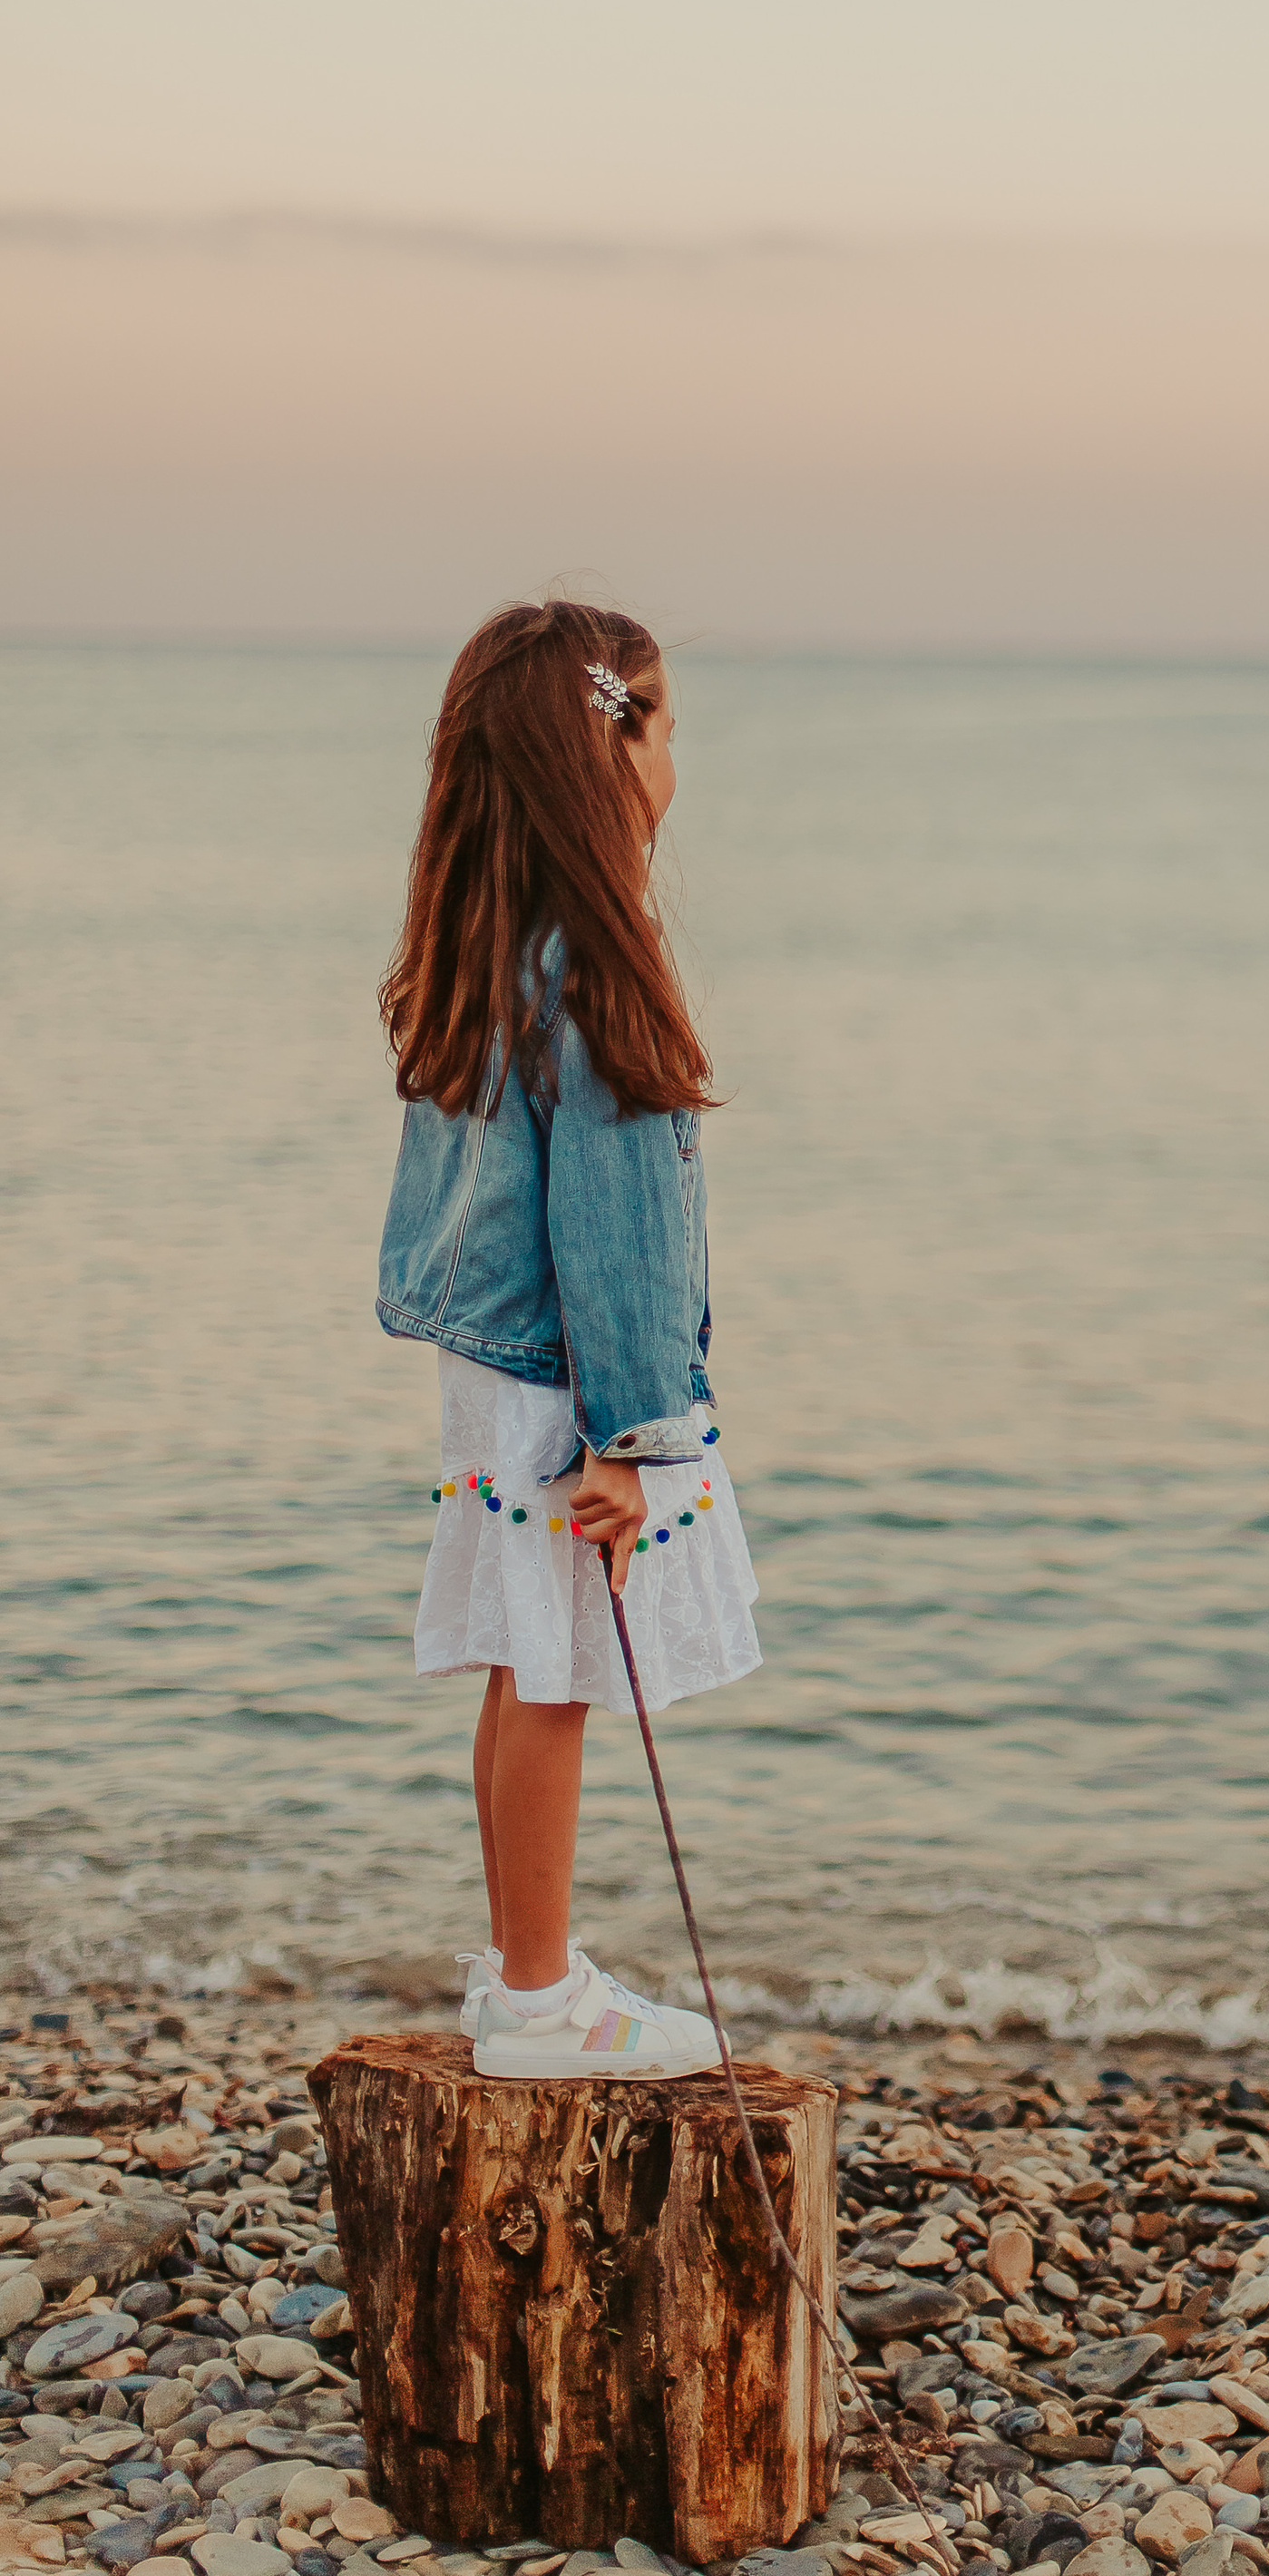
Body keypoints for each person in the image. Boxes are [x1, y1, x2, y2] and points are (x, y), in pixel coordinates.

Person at [375, 598, 761, 2077]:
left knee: (522, 1662)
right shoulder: (595, 970)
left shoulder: (485, 942)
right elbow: (617, 1225)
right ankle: (539, 2002)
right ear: (615, 753)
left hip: (502, 1366)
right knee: (553, 1678)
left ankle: (524, 1971)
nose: (680, 758)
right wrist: (633, 1435)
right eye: (663, 725)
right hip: (569, 1384)